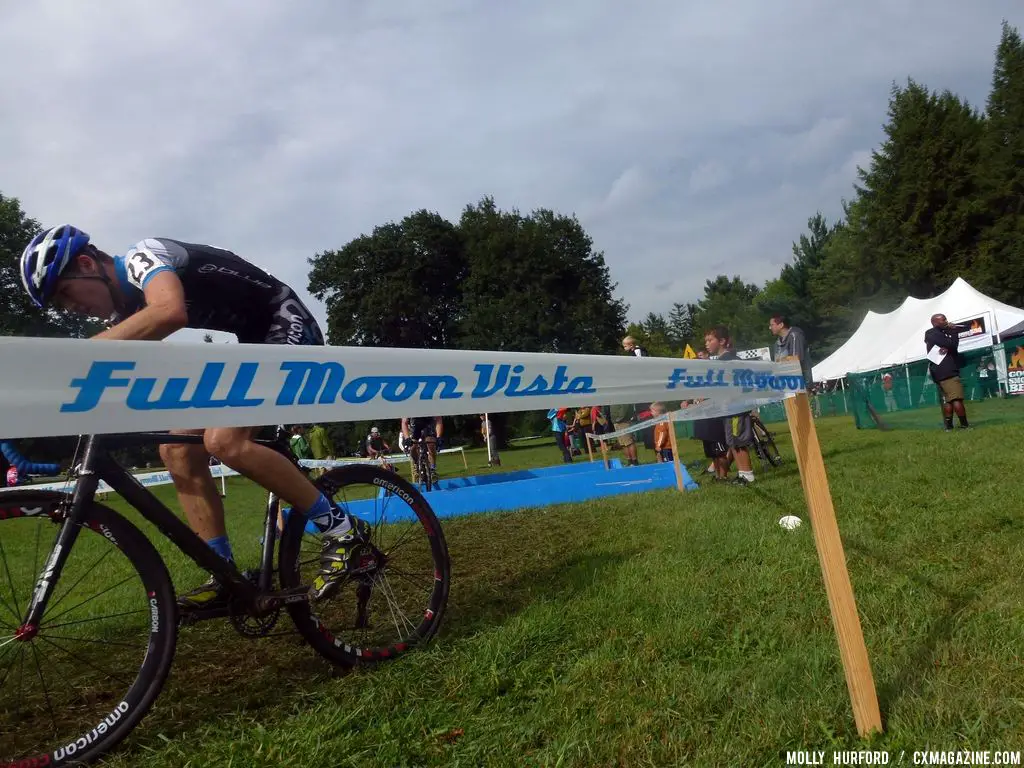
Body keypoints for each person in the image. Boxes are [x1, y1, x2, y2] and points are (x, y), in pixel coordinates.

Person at [19, 224, 369, 609]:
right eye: (60, 305)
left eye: (65, 293)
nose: (70, 308)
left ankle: (342, 529)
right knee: (175, 448)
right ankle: (223, 574)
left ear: (86, 263)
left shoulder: (143, 256)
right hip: (251, 343)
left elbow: (170, 312)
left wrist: (76, 355)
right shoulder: (126, 311)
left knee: (225, 441)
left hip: (284, 320)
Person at [705, 325, 756, 486]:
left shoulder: (731, 360)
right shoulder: (719, 361)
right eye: (706, 340)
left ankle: (747, 474)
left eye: (710, 340)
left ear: (722, 341)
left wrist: (733, 397)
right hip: (726, 409)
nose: (707, 344)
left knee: (739, 441)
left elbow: (745, 382)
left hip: (736, 408)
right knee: (732, 441)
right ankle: (742, 473)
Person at [925, 313, 970, 431]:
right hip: (947, 371)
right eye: (943, 320)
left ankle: (949, 427)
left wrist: (948, 335)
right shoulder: (933, 333)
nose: (946, 321)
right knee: (956, 399)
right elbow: (952, 345)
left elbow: (948, 345)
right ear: (934, 322)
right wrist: (953, 332)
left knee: (949, 400)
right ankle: (965, 425)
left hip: (940, 372)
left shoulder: (937, 334)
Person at [769, 314, 813, 387]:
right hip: (785, 385)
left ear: (781, 325)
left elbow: (795, 359)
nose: (770, 327)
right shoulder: (776, 344)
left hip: (800, 384)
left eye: (772, 325)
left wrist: (779, 363)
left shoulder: (795, 336)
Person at [401, 415, 442, 483]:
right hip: (415, 422)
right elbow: (404, 422)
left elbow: (439, 419)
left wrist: (438, 437)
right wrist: (407, 438)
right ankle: (417, 465)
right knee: (413, 447)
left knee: (431, 444)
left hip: (428, 421)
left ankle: (432, 468)